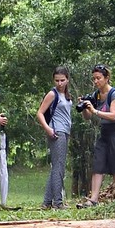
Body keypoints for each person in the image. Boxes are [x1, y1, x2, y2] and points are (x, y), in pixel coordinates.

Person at [78, 64, 115, 206]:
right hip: (105, 133)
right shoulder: (96, 95)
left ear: (106, 78)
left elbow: (113, 115)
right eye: (94, 79)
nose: (96, 81)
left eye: (99, 78)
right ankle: (93, 199)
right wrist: (84, 107)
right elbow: (88, 117)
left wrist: (95, 111)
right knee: (98, 165)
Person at [35, 67, 73, 209]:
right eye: (57, 80)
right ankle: (58, 202)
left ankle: (47, 202)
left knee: (57, 166)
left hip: (65, 130)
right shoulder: (52, 94)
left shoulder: (67, 95)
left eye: (62, 80)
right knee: (59, 167)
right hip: (57, 131)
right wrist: (47, 128)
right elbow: (40, 113)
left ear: (67, 79)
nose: (59, 83)